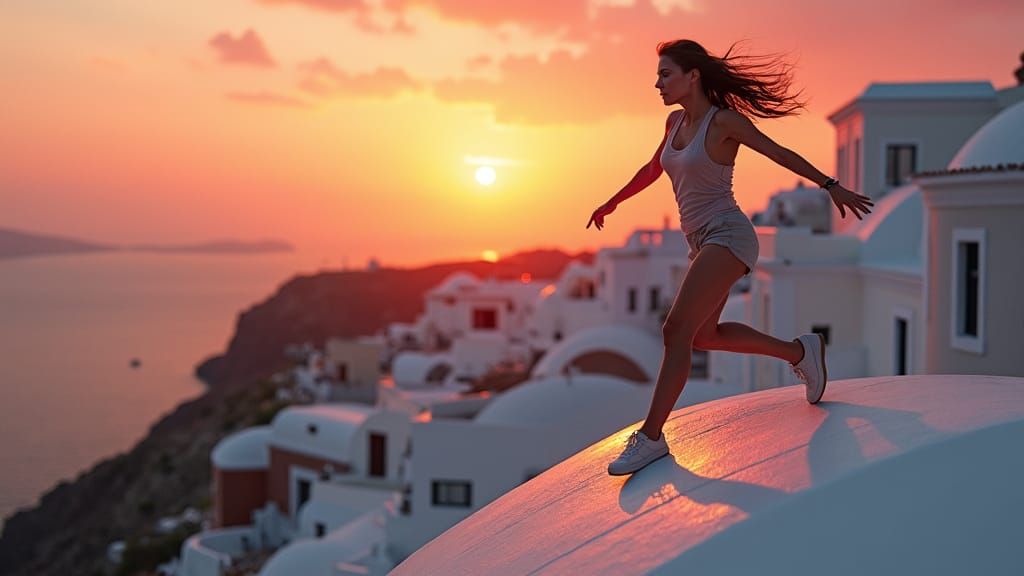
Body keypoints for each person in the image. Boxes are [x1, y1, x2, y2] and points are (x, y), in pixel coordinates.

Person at [587, 39, 874, 476]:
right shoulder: (673, 123)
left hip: (729, 235)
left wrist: (830, 184)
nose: (657, 83)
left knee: (675, 330)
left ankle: (650, 438)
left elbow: (778, 152)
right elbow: (652, 170)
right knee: (705, 336)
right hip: (700, 242)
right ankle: (799, 352)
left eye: (666, 74)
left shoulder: (723, 123)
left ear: (693, 75)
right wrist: (612, 202)